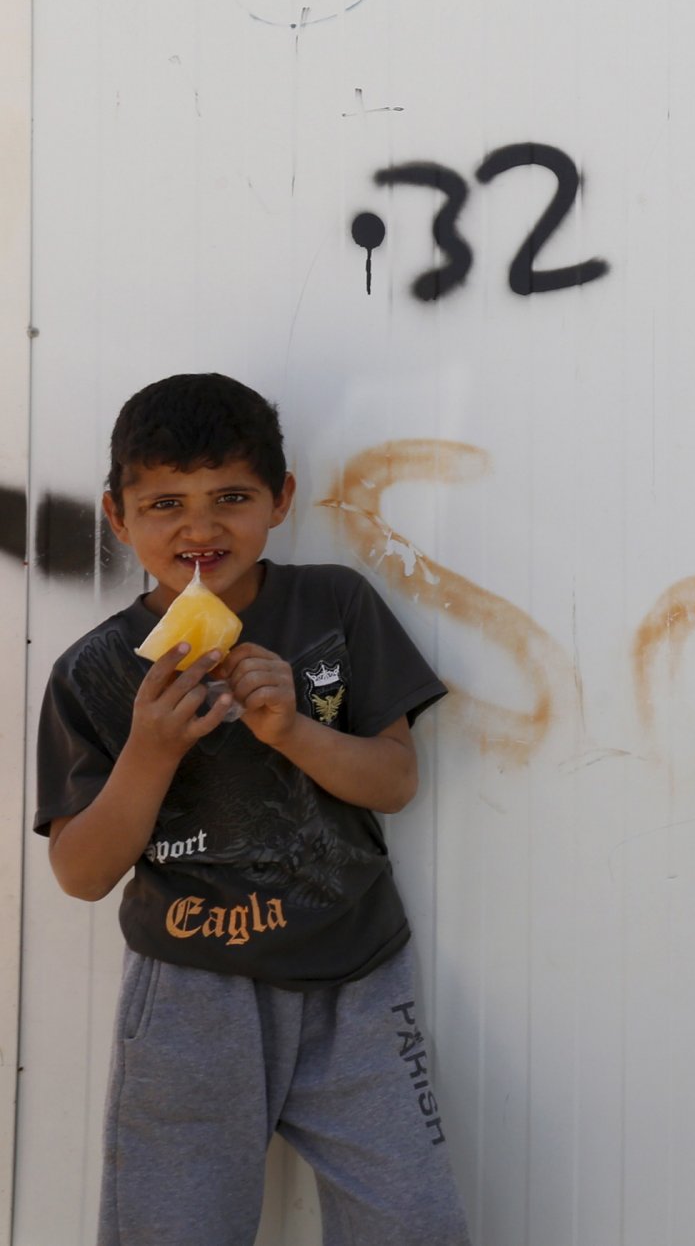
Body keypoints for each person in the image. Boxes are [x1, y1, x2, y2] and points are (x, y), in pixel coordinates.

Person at [34, 373, 471, 1245]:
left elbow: (395, 780)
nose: (200, 528)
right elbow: (81, 873)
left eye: (231, 497)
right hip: (190, 993)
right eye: (165, 504)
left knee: (413, 1221)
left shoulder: (333, 605)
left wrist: (293, 732)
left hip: (356, 975)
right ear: (119, 518)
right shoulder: (94, 669)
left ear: (281, 500)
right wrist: (151, 750)